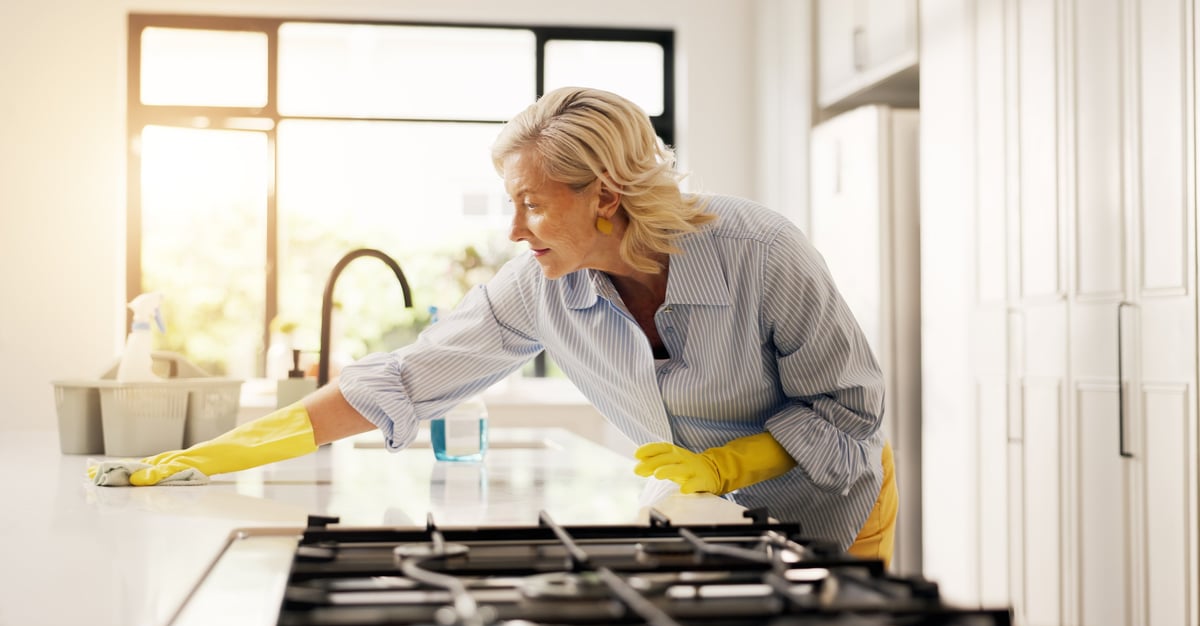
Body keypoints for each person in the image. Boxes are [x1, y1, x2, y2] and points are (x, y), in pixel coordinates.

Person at [104, 87, 898, 565]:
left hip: (834, 504)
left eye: (533, 203)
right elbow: (407, 378)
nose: (516, 230)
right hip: (710, 521)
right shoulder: (538, 287)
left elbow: (853, 412)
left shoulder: (759, 250)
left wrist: (729, 465)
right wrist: (217, 454)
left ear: (606, 197)